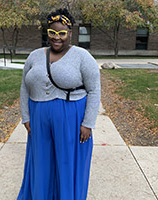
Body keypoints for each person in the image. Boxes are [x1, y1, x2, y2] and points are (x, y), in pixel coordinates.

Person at [17, 8, 101, 200]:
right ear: (47, 33)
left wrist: (88, 123)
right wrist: (26, 116)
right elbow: (24, 87)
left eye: (62, 33)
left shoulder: (82, 56)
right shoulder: (35, 56)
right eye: (53, 33)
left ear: (70, 33)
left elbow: (95, 90)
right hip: (39, 117)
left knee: (66, 162)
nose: (57, 38)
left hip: (71, 118)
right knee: (42, 162)